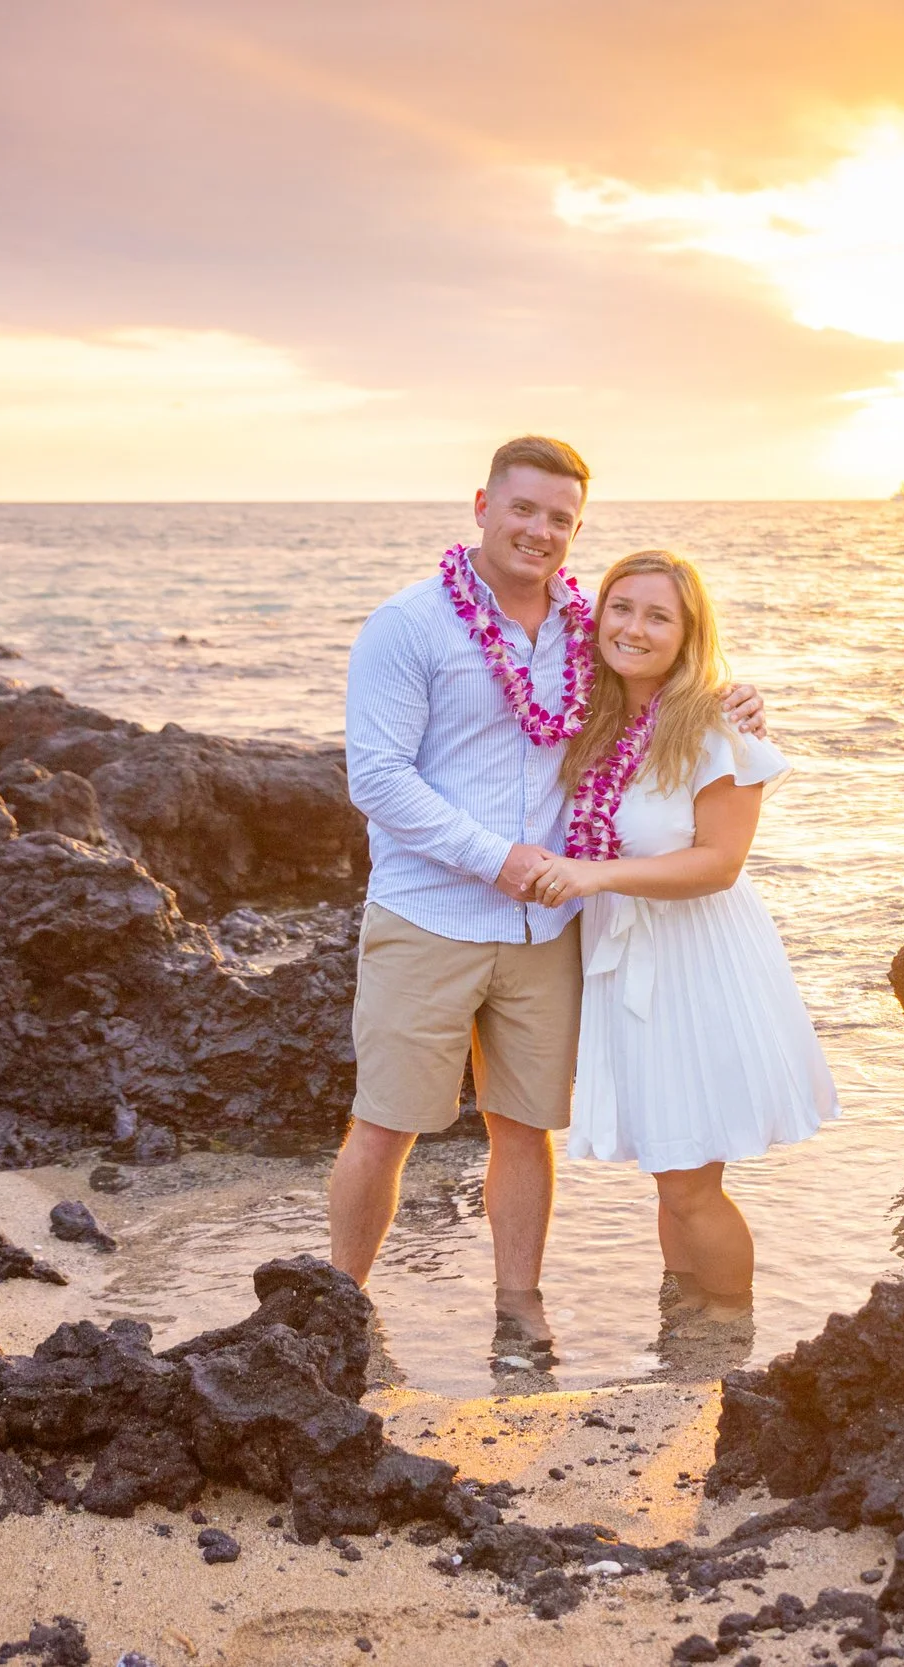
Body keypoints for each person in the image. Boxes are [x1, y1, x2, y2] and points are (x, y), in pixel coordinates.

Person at [329, 437, 765, 1370]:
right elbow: (377, 778)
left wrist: (736, 698)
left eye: (561, 518)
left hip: (547, 927)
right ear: (483, 503)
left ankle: (519, 1308)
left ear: (576, 530)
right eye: (524, 509)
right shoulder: (409, 626)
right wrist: (501, 859)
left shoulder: (583, 627)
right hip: (431, 914)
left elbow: (663, 678)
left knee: (524, 1127)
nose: (540, 531)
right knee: (385, 1121)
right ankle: (339, 1301)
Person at [519, 550, 837, 1346]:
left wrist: (594, 876)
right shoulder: (593, 718)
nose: (634, 627)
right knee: (671, 1168)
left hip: (696, 964)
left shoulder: (716, 723)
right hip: (627, 963)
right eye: (620, 607)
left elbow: (720, 863)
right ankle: (682, 1330)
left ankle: (729, 1339)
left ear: (689, 633)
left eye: (658, 615)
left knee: (692, 1179)